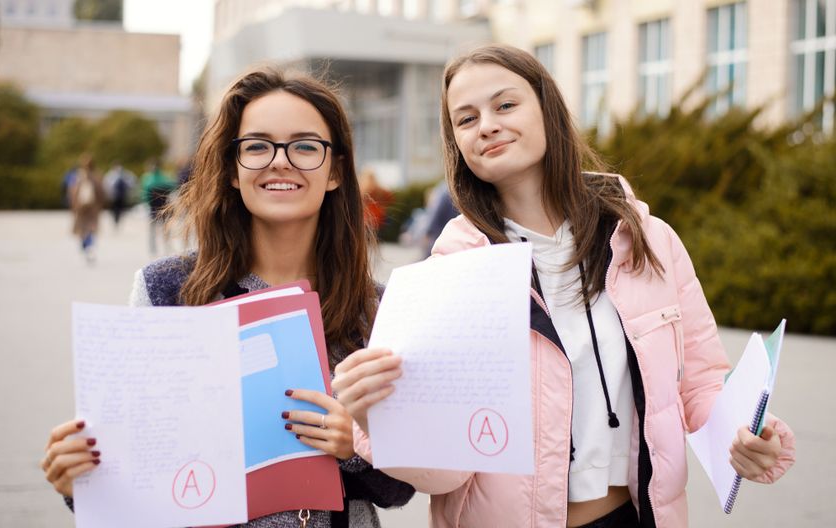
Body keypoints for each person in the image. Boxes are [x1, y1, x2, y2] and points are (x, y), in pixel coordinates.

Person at [331, 45, 796, 528]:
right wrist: (380, 421)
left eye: (505, 105)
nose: (486, 124)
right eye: (465, 119)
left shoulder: (648, 240)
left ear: (548, 109)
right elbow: (444, 474)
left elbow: (700, 381)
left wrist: (744, 435)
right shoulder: (452, 273)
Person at [40, 66, 415, 527]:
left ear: (335, 170)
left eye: (304, 146)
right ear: (233, 171)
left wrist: (353, 446)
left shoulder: (376, 308)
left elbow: (400, 489)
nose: (280, 161)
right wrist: (80, 478)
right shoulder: (167, 291)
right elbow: (137, 462)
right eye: (257, 146)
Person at [69, 154, 105, 263]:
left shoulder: (78, 176)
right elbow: (101, 192)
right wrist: (100, 204)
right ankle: (89, 246)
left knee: (82, 227)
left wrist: (74, 205)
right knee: (91, 227)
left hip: (80, 207)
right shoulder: (97, 176)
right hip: (93, 207)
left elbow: (73, 192)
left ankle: (85, 245)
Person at [140, 160, 177, 254]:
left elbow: (144, 194)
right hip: (164, 207)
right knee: (165, 229)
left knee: (152, 230)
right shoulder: (165, 177)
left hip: (153, 208)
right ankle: (167, 247)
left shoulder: (147, 179)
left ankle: (153, 248)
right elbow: (173, 187)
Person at [357, 167, 393, 233]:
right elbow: (390, 198)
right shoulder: (381, 190)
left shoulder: (362, 189)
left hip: (366, 217)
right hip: (379, 217)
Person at [102, 162, 136, 228]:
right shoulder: (111, 175)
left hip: (122, 196)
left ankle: (118, 220)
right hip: (114, 196)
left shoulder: (125, 174)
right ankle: (116, 220)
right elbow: (107, 185)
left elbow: (131, 183)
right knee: (115, 209)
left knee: (120, 209)